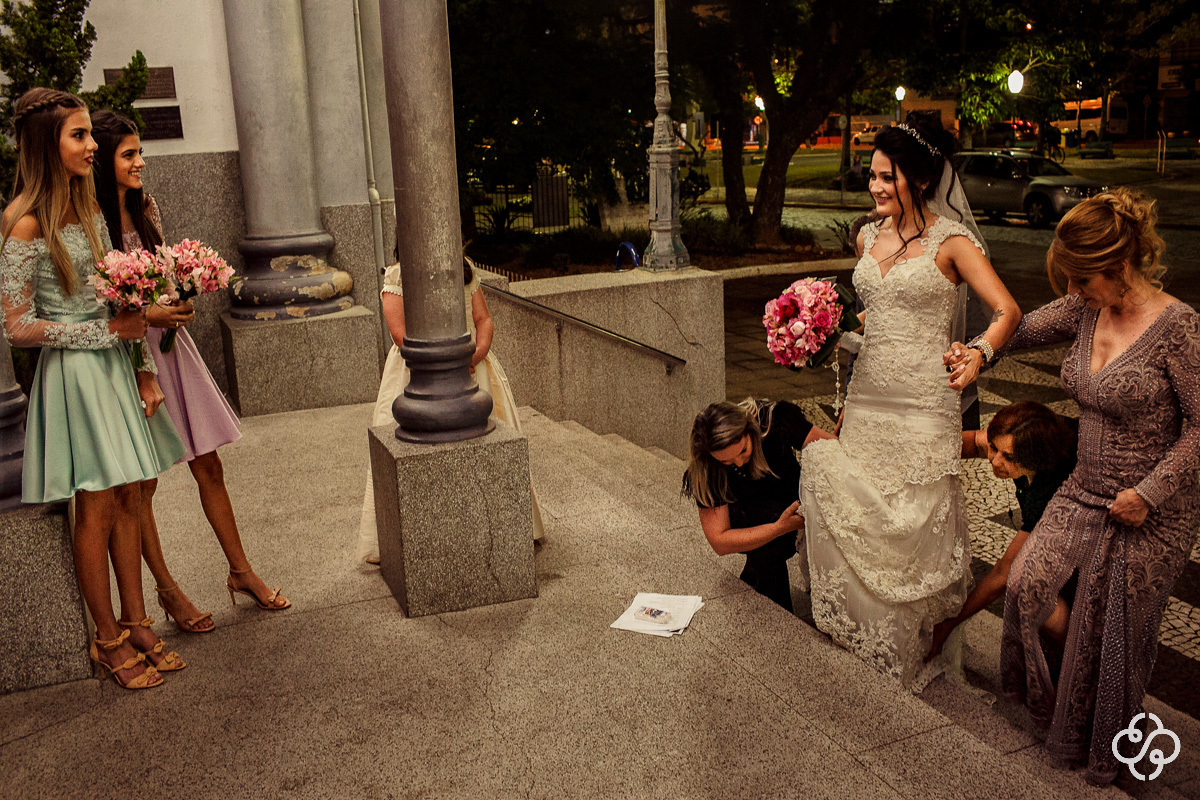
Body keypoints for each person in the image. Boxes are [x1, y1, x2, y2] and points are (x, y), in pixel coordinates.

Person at [945, 188, 1200, 785]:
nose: (1074, 294)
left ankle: (1105, 741)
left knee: (1115, 630)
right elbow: (1022, 328)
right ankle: (1057, 700)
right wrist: (978, 351)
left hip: (1150, 508)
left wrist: (1151, 493)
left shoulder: (1180, 328)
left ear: (1118, 268)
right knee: (1030, 588)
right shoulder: (1085, 308)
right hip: (1085, 487)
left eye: (1082, 281)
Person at [798, 115, 1022, 688]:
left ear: (918, 179)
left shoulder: (953, 242)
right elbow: (875, 312)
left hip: (924, 402)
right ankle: (863, 632)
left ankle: (912, 643)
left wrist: (978, 354)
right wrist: (821, 326)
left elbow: (1008, 311)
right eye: (871, 176)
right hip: (869, 393)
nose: (874, 188)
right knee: (857, 504)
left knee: (911, 522)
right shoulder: (866, 237)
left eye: (885, 177)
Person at [0, 89, 186, 688]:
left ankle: (136, 621)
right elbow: (18, 325)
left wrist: (140, 363)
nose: (89, 147)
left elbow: (118, 299)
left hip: (114, 367)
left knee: (133, 494)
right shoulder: (26, 220)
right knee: (97, 505)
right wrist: (105, 334)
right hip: (76, 376)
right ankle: (105, 639)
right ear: (44, 144)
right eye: (77, 136)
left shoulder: (92, 210)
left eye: (88, 135)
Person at [91, 110, 289, 629]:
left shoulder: (147, 207)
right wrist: (147, 315)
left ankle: (242, 571)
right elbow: (97, 303)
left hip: (173, 349)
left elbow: (156, 279)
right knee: (144, 484)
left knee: (210, 463)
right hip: (130, 355)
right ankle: (168, 591)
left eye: (140, 152)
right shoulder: (91, 223)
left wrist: (182, 297)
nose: (140, 162)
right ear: (105, 162)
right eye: (129, 154)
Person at [357, 256, 544, 564]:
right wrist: (446, 363)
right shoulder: (398, 274)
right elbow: (398, 333)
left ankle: (501, 524)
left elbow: (483, 319)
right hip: (418, 373)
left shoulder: (464, 266)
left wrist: (476, 353)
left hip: (474, 367)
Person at [927, 402, 1078, 658]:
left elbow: (1003, 573)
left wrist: (947, 627)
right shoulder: (1020, 432)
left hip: (1097, 539)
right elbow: (976, 442)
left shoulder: (1049, 491)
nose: (995, 461)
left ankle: (1080, 664)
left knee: (1036, 590)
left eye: (1008, 458)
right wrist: (919, 453)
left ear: (1035, 459)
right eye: (995, 449)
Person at [682, 399, 832, 612]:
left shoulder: (775, 420)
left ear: (749, 430)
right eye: (727, 462)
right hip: (759, 521)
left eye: (743, 451)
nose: (740, 463)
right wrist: (778, 528)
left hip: (794, 499)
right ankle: (774, 603)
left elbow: (830, 448)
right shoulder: (706, 470)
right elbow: (720, 541)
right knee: (765, 535)